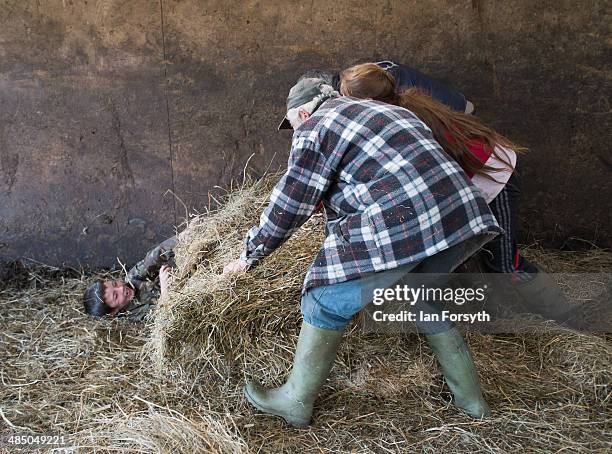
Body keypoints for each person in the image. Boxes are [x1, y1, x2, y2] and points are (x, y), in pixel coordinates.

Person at [224, 77, 502, 427]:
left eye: (292, 123)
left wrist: (251, 253)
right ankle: (472, 403)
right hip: (459, 215)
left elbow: (290, 203)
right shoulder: (386, 111)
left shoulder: (316, 127)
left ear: (303, 111)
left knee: (322, 300)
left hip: (406, 220)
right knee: (422, 297)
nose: (294, 132)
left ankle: (294, 400)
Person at [337, 62, 575, 325]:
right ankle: (495, 316)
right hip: (473, 178)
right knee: (476, 256)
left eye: (349, 103)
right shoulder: (401, 105)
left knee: (504, 264)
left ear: (369, 101)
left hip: (493, 175)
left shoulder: (402, 121)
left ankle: (569, 320)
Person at [82, 236, 177, 321]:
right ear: (114, 311)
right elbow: (164, 318)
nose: (121, 288)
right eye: (116, 296)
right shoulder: (133, 315)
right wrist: (165, 291)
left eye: (115, 284)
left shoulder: (133, 278)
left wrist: (183, 237)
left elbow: (157, 254)